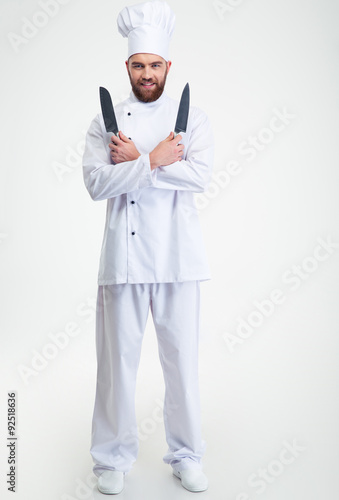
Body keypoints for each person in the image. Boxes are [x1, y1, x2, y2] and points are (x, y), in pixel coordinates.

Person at [82, 0, 214, 494]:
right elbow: (97, 185)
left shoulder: (192, 118)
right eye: (138, 65)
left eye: (154, 65)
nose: (147, 73)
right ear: (127, 67)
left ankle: (186, 454)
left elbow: (199, 176)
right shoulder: (106, 119)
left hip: (179, 259)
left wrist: (139, 160)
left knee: (182, 362)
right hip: (124, 259)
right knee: (117, 365)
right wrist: (151, 162)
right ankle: (111, 460)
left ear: (167, 67)